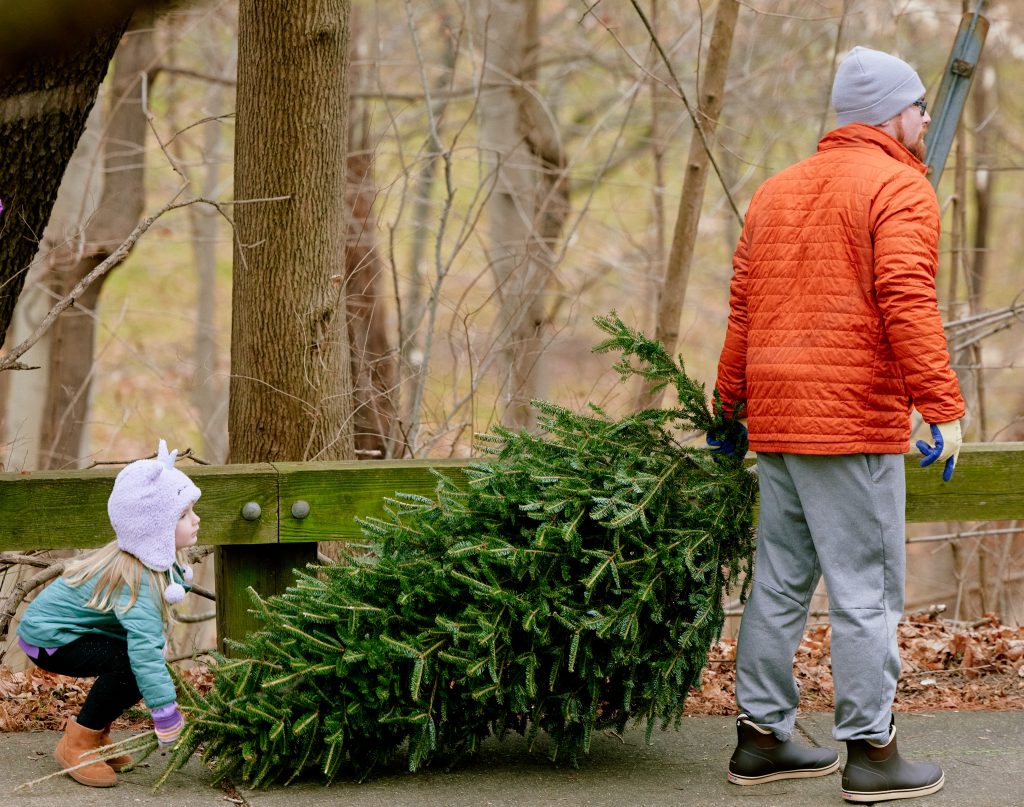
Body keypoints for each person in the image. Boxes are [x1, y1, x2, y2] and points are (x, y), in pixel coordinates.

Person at [709, 46, 965, 803]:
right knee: (868, 591)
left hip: (778, 418)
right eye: (918, 106)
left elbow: (743, 311)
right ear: (890, 115)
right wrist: (943, 407)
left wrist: (729, 407)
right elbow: (906, 298)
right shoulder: (901, 187)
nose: (925, 118)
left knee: (780, 581)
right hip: (850, 422)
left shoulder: (775, 190)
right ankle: (873, 753)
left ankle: (761, 738)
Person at [17, 440, 200, 788]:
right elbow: (145, 651)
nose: (196, 519)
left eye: (192, 510)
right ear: (154, 527)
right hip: (50, 638)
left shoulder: (151, 561)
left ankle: (96, 735)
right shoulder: (139, 578)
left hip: (66, 632)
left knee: (132, 667)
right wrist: (165, 713)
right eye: (182, 515)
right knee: (131, 665)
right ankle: (78, 743)